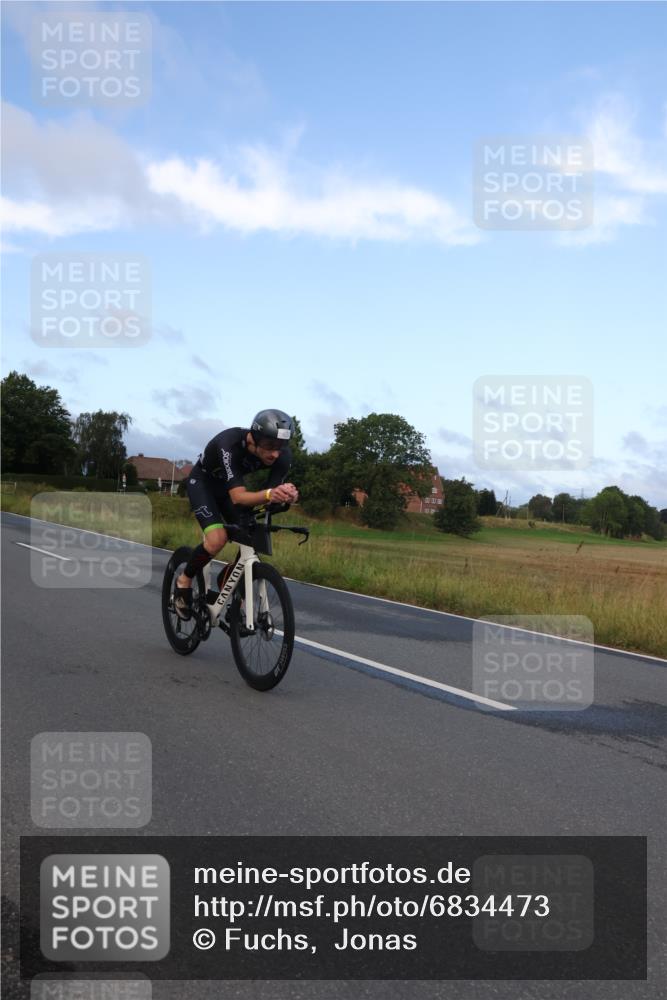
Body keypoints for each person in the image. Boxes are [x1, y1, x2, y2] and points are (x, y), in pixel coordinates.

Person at [174, 409, 299, 619]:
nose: (275, 453)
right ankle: (184, 580)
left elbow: (269, 496)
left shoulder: (282, 456)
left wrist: (287, 496)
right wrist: (270, 494)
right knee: (217, 539)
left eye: (280, 447)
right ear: (253, 439)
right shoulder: (229, 444)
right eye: (269, 446)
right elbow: (240, 498)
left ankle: (228, 584)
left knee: (251, 538)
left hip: (229, 490)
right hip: (203, 485)